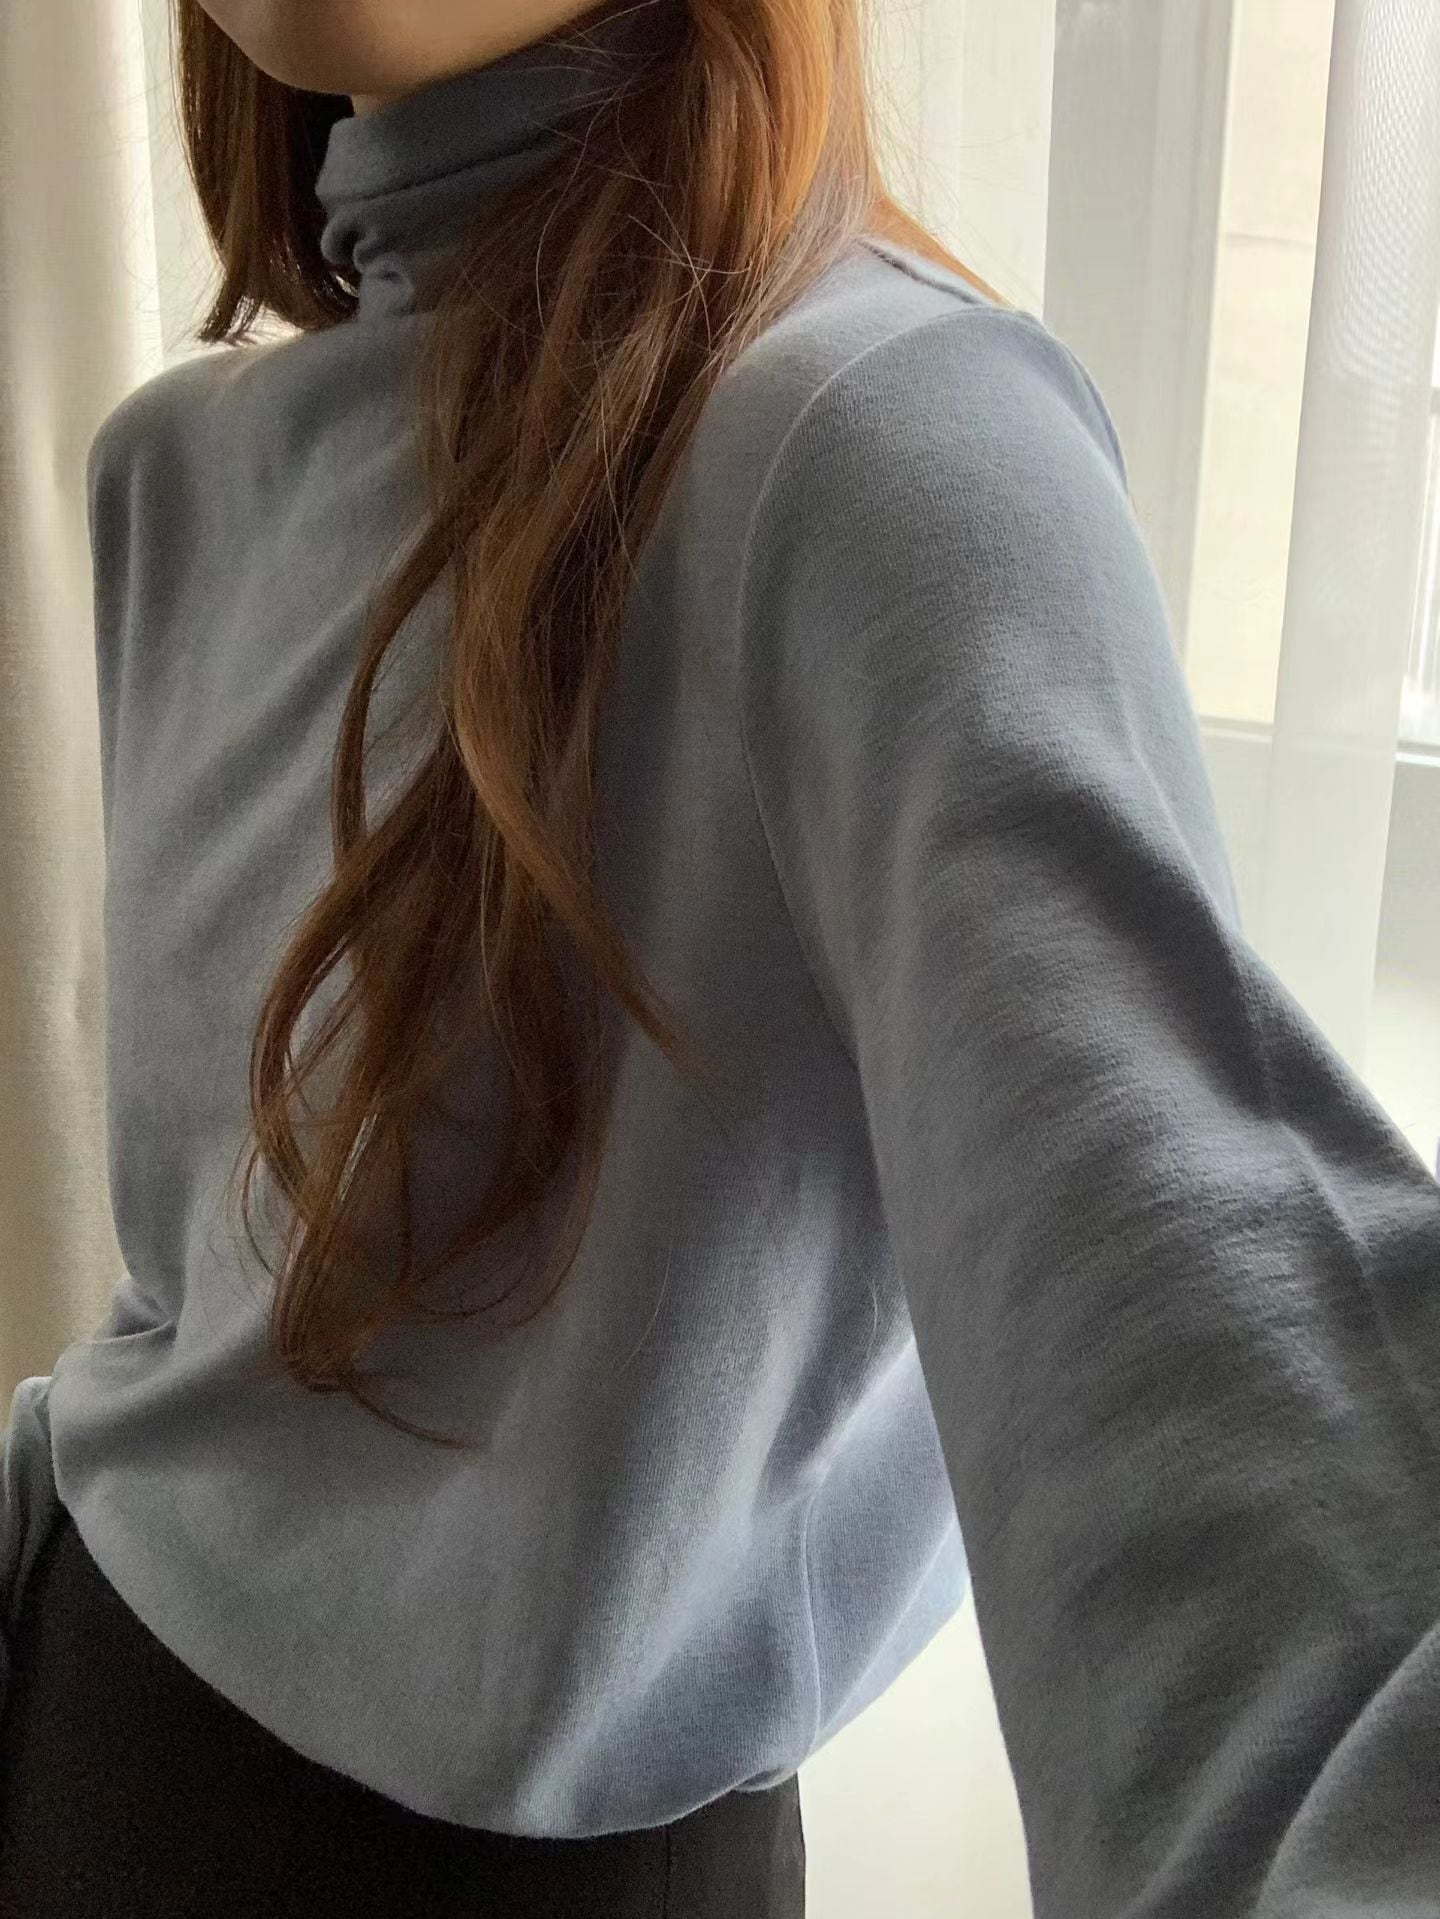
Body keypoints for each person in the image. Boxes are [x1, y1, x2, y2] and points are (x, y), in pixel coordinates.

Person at [1, 0, 1438, 1911]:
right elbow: (200, 1308)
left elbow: (1262, 1482)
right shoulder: (171, 475)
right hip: (68, 1709)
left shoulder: (889, 446)